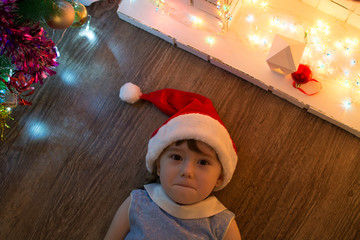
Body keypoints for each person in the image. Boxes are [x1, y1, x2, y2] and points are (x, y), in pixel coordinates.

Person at [104, 83, 241, 240]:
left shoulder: (223, 225)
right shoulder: (137, 204)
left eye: (203, 162)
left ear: (220, 177)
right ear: (159, 166)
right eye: (176, 157)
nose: (187, 171)